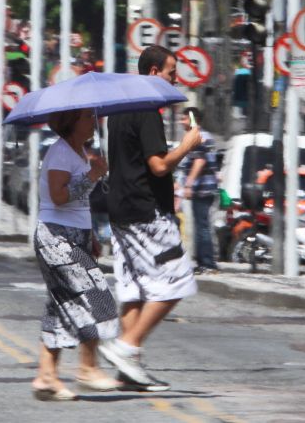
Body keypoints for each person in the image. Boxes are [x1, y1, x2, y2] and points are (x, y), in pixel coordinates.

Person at [102, 45, 202, 392]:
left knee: (134, 289)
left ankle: (128, 370)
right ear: (155, 71)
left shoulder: (117, 110)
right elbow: (158, 165)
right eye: (172, 72)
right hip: (146, 211)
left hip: (119, 209)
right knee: (177, 281)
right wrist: (188, 144)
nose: (176, 78)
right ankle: (127, 347)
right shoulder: (147, 108)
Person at [31, 108, 120, 401]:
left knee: (61, 306)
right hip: (57, 238)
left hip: (75, 235)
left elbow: (78, 202)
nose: (92, 122)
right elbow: (58, 197)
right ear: (71, 123)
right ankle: (88, 367)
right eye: (86, 117)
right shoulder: (60, 153)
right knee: (96, 296)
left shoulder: (80, 152)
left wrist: (90, 234)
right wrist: (92, 175)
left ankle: (46, 376)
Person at [177, 107, 219, 274]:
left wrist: (188, 185)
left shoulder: (198, 137)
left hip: (202, 189)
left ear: (193, 120)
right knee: (201, 224)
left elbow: (199, 162)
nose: (181, 122)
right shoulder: (201, 136)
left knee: (202, 226)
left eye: (185, 119)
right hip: (203, 189)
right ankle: (203, 262)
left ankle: (207, 263)